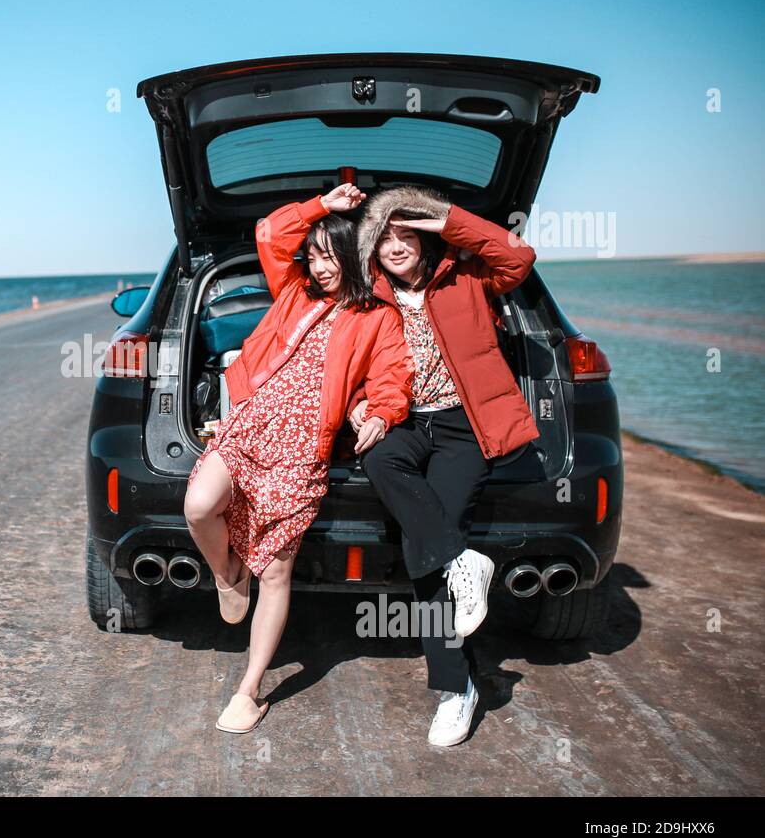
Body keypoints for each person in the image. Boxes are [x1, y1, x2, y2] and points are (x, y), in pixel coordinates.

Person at [183, 183, 414, 734]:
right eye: (312, 256)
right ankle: (227, 574)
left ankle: (248, 690)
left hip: (302, 444)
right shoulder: (294, 292)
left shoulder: (378, 316)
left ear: (353, 256)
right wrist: (320, 207)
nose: (319, 266)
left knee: (279, 572)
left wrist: (379, 410)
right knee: (198, 506)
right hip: (252, 422)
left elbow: (392, 378)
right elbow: (269, 233)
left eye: (329, 256)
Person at [349, 185, 539, 746]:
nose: (395, 245)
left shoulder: (469, 275)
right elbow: (354, 360)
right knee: (380, 460)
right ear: (372, 252)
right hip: (404, 422)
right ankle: (466, 561)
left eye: (404, 232)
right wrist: (361, 403)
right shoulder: (369, 297)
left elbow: (519, 257)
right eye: (383, 238)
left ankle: (457, 689)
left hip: (463, 426)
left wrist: (445, 222)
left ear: (425, 235)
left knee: (422, 553)